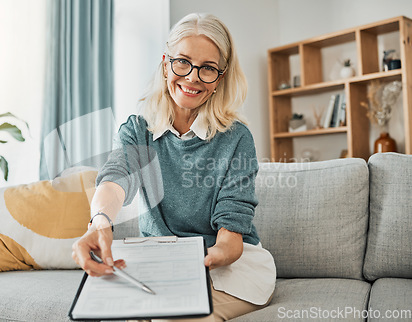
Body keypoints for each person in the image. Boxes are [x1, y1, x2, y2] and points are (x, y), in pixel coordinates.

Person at [72, 12, 276, 321]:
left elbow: (231, 238)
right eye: (183, 62)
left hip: (231, 269)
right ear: (166, 64)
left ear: (219, 78)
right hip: (164, 264)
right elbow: (115, 179)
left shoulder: (236, 139)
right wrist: (100, 222)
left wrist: (201, 260)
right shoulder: (138, 130)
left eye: (207, 68)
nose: (193, 77)